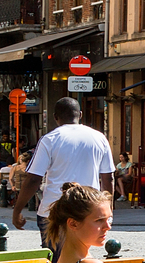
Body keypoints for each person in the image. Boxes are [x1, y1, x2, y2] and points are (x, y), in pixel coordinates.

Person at [10, 98, 115, 236]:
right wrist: (109, 209)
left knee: (54, 255)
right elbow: (108, 178)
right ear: (80, 115)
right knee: (82, 254)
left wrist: (17, 210)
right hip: (88, 209)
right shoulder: (99, 138)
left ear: (55, 117)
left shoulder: (49, 139)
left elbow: (33, 179)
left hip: (54, 210)